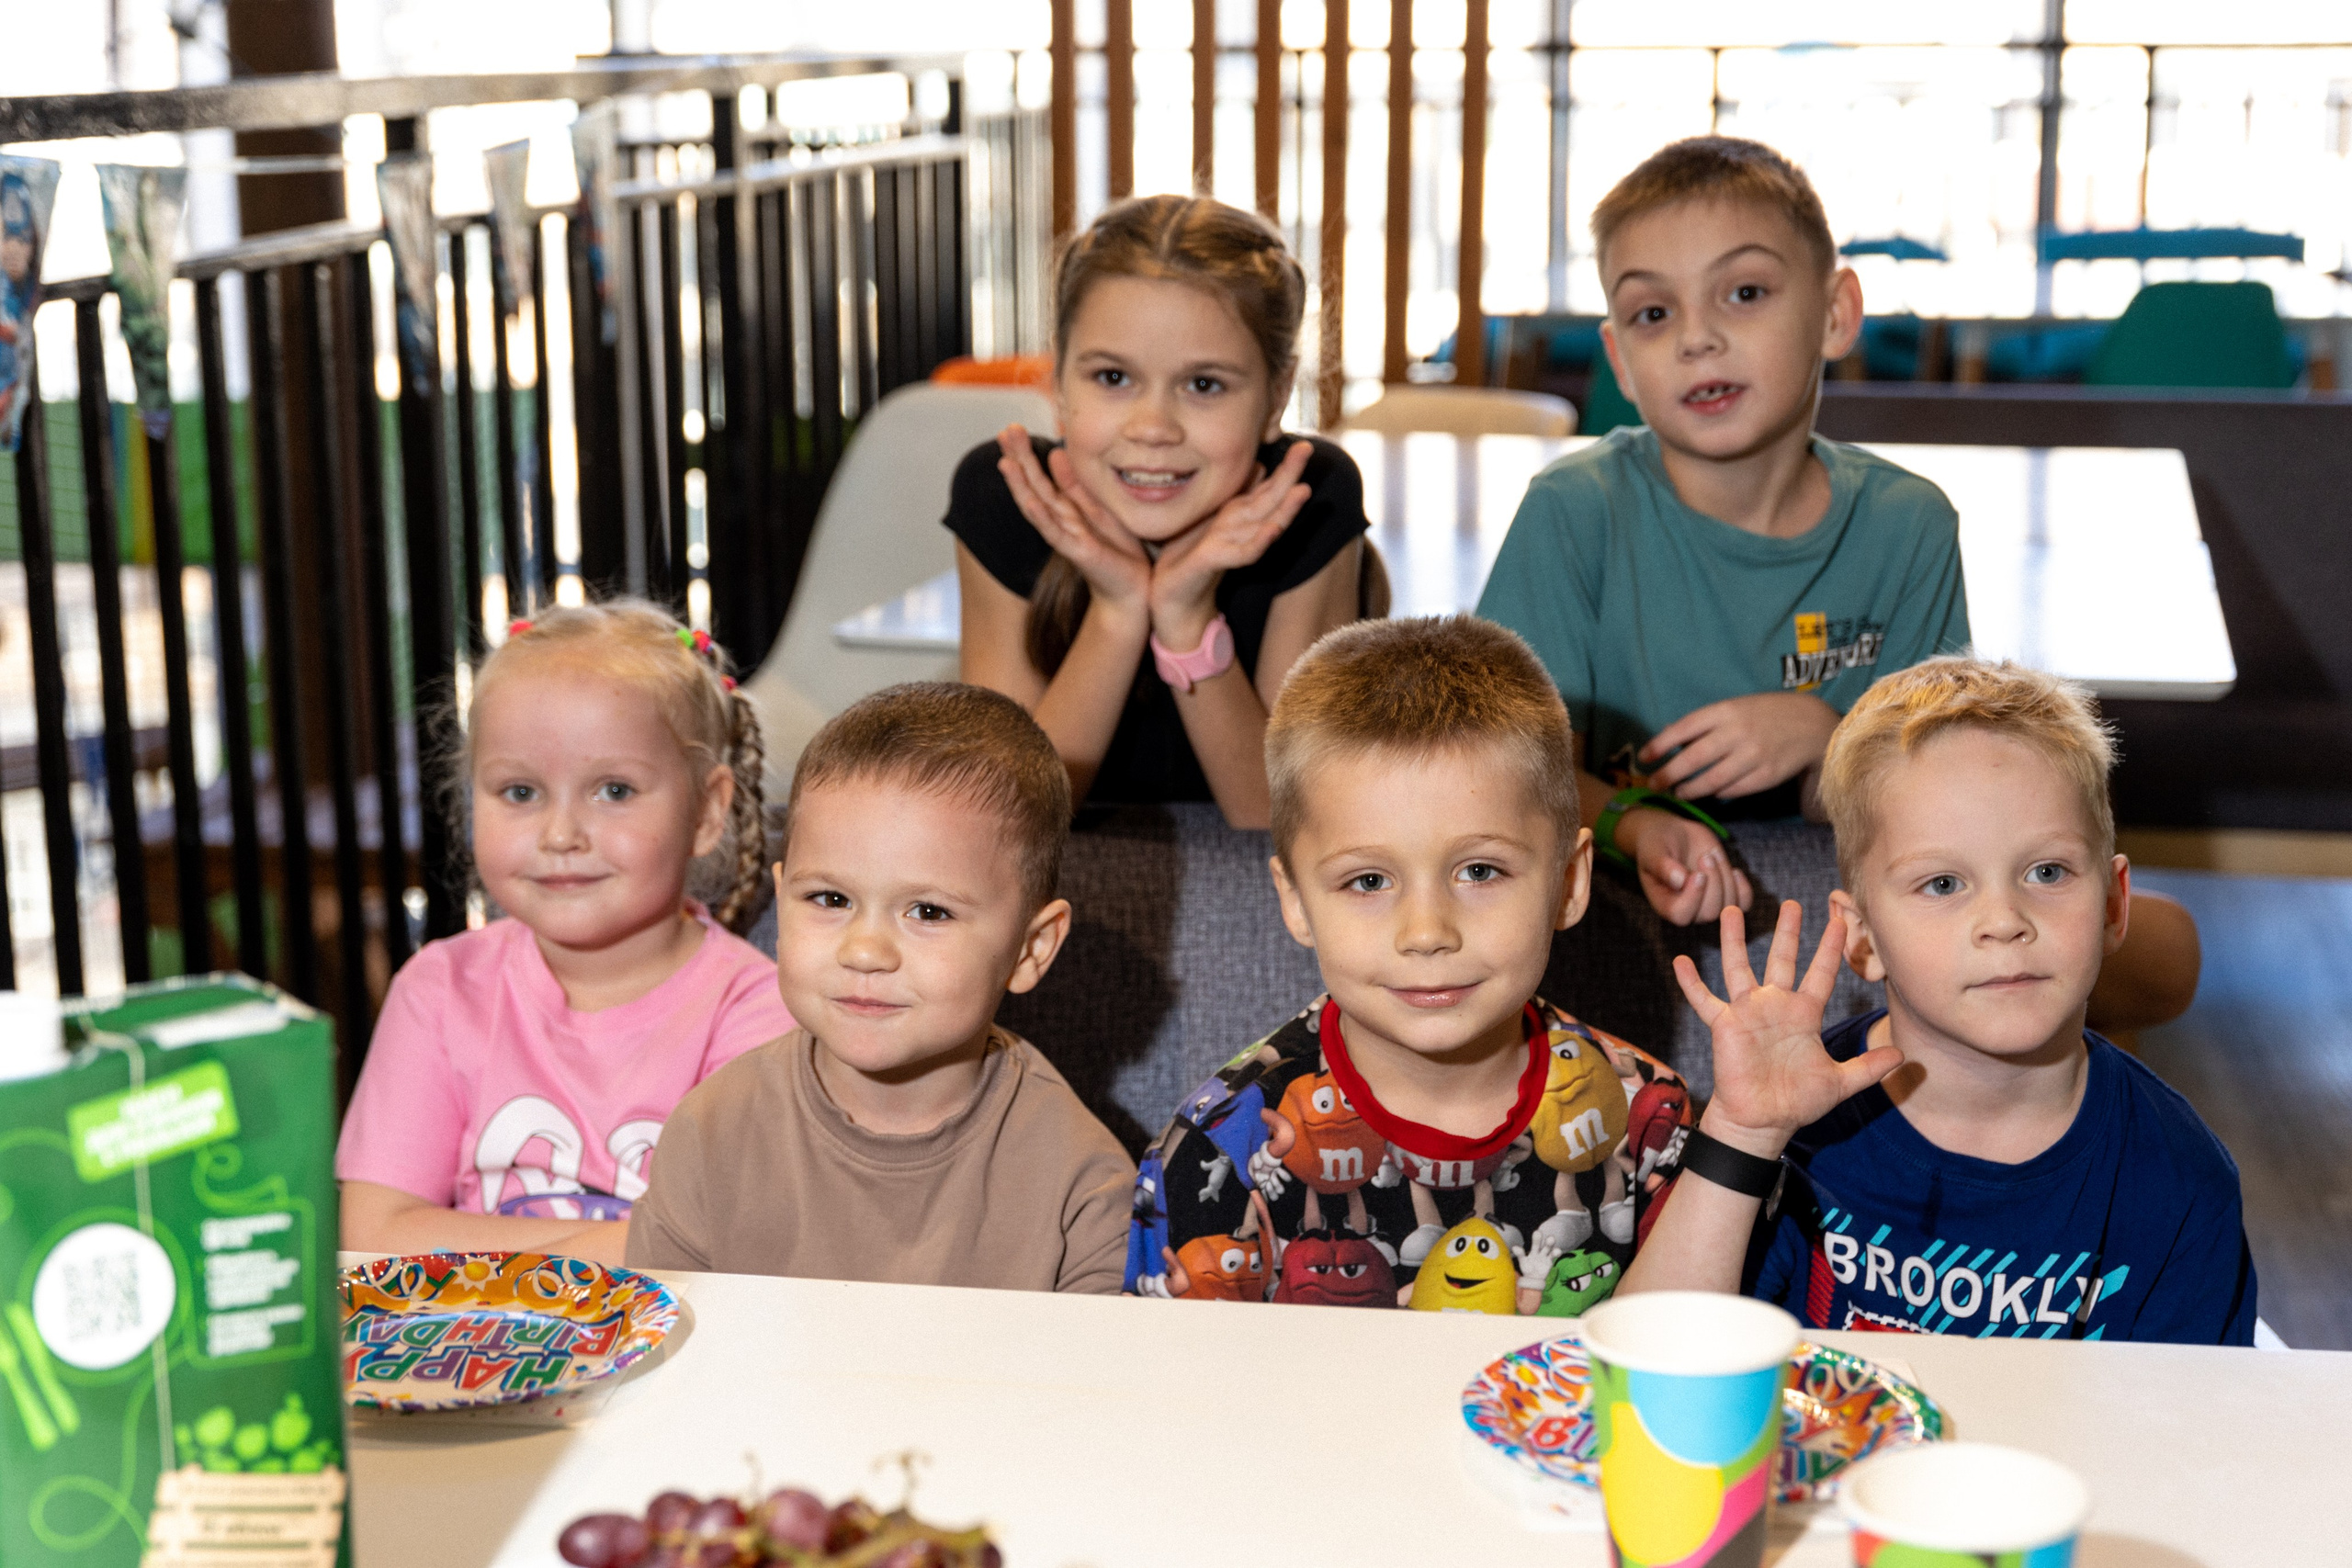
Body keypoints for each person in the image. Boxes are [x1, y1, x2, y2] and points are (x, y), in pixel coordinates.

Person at [1476, 133, 2199, 1032]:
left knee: (2167, 956)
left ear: (1835, 311)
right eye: (1652, 314)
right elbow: (1501, 769)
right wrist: (1629, 822)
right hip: (1624, 885)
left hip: (1840, 879)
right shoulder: (1573, 512)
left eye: (1743, 293)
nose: (1697, 337)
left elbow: (1935, 811)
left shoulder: (1907, 523)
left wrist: (1828, 738)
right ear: (1618, 360)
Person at [1622, 658, 2256, 1345]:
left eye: (2047, 871)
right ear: (1860, 936)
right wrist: (1742, 1137)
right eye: (1944, 883)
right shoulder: (1795, 1129)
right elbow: (1646, 1363)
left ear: (2112, 900)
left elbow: (2184, 1440)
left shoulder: (2181, 1179)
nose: (2004, 919)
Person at [1125, 617, 1691, 1313]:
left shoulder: (1652, 1122)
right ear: (1296, 901)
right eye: (1368, 881)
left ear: (1570, 883)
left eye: (1479, 870)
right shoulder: (1218, 1150)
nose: (1426, 933)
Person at [628, 683, 1136, 1292]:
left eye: (927, 911)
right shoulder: (709, 1132)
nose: (865, 950)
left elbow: (1100, 1385)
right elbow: (655, 1356)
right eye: (830, 899)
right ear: (784, 904)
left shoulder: (1083, 1183)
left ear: (1031, 948)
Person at [336, 601, 792, 1262]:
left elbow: (726, 1247)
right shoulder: (437, 990)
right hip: (464, 1360)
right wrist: (621, 1241)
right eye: (520, 792)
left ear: (707, 809)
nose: (559, 834)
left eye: (613, 790)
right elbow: (373, 1236)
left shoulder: (758, 1010)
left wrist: (458, 1245)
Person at [948, 193, 1373, 829]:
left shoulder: (1311, 499)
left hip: (1254, 898)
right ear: (1059, 376)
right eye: (1114, 378)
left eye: (1203, 385)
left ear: (1277, 396)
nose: (1153, 427)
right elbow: (1003, 822)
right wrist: (1118, 611)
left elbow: (1279, 818)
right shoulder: (1005, 495)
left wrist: (1185, 617)